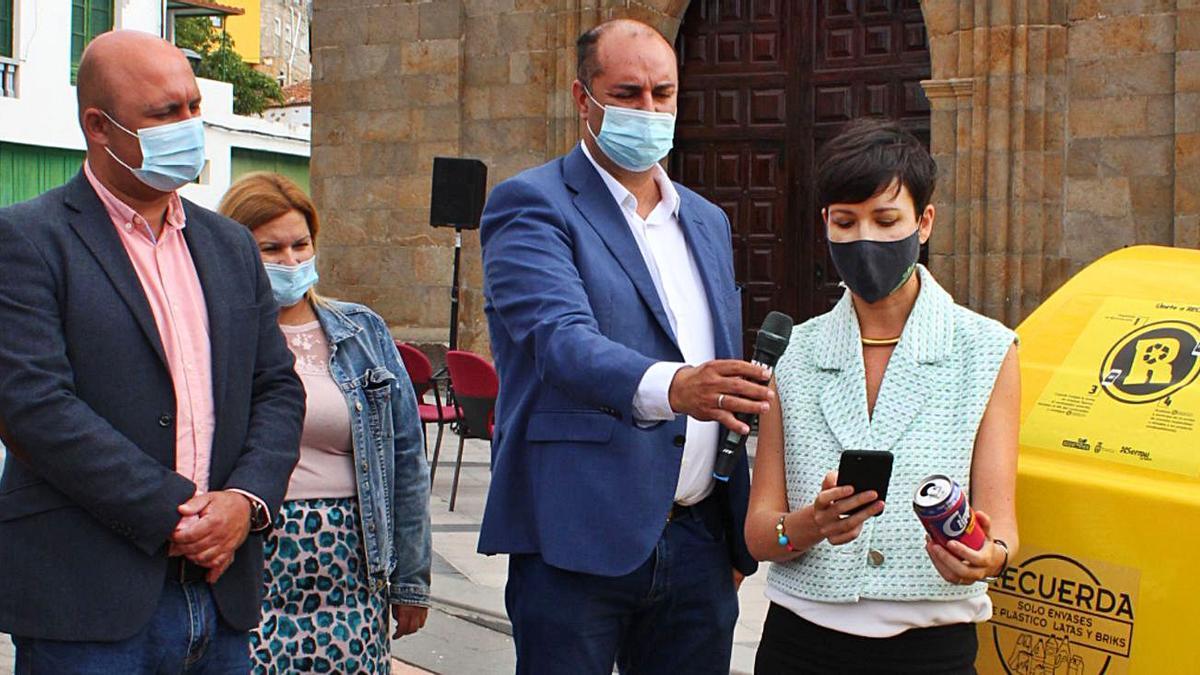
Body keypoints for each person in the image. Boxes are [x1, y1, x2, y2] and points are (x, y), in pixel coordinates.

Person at [0, 31, 304, 672]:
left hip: (222, 596)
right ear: (99, 127)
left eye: (193, 107)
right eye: (165, 114)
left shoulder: (228, 246)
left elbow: (276, 386)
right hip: (88, 606)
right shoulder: (28, 240)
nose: (189, 127)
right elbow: (33, 407)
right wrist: (177, 513)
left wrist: (245, 502)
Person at [477, 18, 774, 675]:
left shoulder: (705, 219)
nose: (649, 109)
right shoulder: (532, 205)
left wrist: (730, 533)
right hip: (577, 539)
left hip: (699, 540)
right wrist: (675, 386)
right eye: (629, 93)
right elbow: (559, 340)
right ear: (584, 100)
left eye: (662, 94)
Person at [744, 118, 1021, 674]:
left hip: (930, 652)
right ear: (825, 223)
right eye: (845, 221)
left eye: (886, 219)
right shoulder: (792, 353)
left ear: (924, 223)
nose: (865, 237)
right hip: (800, 646)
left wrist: (981, 558)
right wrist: (810, 525)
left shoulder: (986, 349)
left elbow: (1003, 531)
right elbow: (759, 533)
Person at [217, 173, 432, 673]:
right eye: (271, 248)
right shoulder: (217, 334)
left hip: (352, 562)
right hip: (252, 560)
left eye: (301, 244)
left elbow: (405, 458)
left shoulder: (361, 332)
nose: (291, 261)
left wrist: (411, 581)